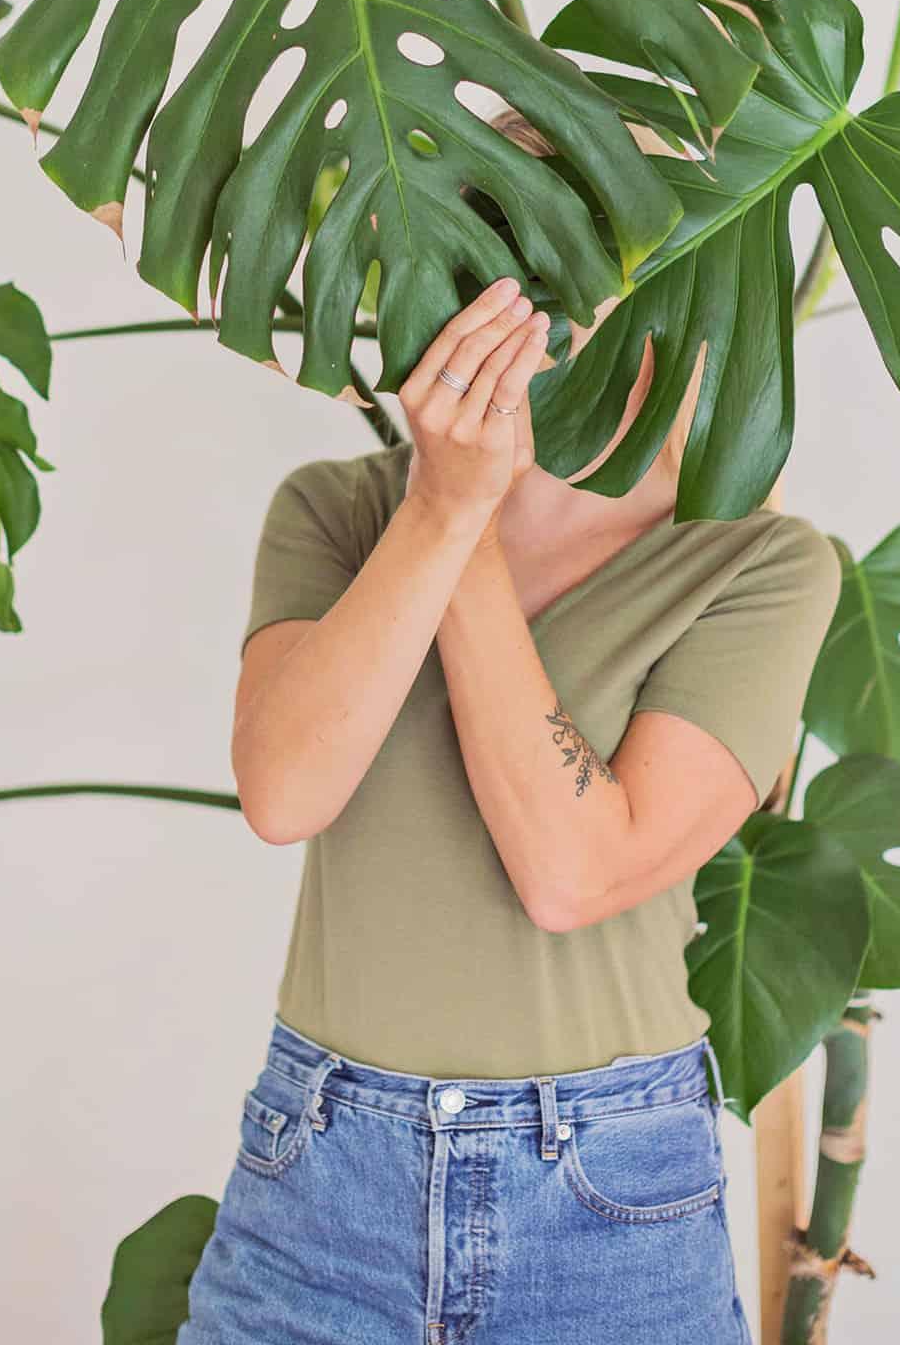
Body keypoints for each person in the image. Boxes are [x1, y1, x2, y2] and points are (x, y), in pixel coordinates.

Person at [179, 113, 842, 1345]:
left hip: (606, 1192)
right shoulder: (338, 513)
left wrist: (465, 514)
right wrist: (439, 509)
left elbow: (573, 868)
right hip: (320, 1181)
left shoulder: (761, 564)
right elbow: (282, 790)